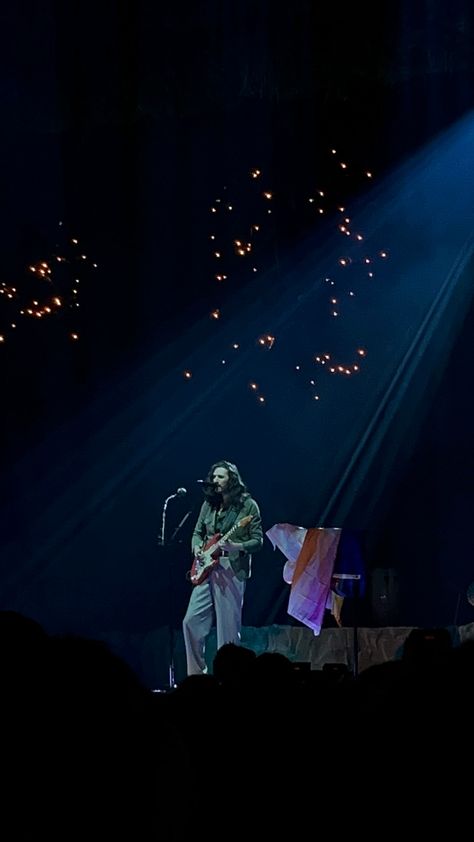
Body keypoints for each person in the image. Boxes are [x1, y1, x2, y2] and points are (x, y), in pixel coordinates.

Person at [182, 460, 263, 676]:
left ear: (232, 480)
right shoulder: (208, 505)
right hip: (206, 566)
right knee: (190, 621)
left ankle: (229, 679)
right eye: (214, 477)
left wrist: (235, 546)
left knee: (227, 628)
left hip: (230, 567)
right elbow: (197, 533)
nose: (215, 481)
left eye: (221, 477)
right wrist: (197, 547)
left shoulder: (248, 506)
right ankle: (196, 676)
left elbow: (258, 541)